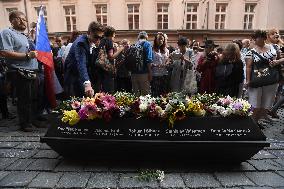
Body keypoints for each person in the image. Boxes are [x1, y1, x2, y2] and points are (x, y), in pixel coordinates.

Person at [0, 10, 38, 132]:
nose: (23, 21)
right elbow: (5, 52)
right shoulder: (7, 32)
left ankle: (31, 119)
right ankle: (25, 123)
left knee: (33, 97)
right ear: (12, 20)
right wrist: (27, 56)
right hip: (19, 71)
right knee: (24, 99)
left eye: (25, 19)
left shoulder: (24, 35)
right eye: (19, 18)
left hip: (31, 70)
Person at [245, 30, 283, 127]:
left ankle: (256, 122)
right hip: (257, 81)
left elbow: (281, 58)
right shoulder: (251, 52)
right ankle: (252, 124)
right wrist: (248, 80)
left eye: (256, 38)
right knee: (255, 104)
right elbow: (248, 67)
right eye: (255, 38)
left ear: (263, 38)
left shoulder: (274, 48)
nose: (254, 40)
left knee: (266, 105)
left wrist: (277, 62)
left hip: (271, 80)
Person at [64, 21, 104, 97]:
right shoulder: (81, 43)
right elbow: (81, 63)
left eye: (101, 37)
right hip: (74, 77)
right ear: (89, 33)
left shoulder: (93, 42)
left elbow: (92, 63)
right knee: (78, 104)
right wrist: (87, 83)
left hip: (82, 76)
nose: (98, 39)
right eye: (96, 36)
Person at [130, 31, 153, 96]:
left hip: (133, 74)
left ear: (138, 37)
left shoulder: (134, 45)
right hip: (144, 73)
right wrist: (150, 72)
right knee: (145, 95)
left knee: (136, 95)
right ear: (146, 37)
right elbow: (149, 59)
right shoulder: (147, 44)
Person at [151, 32, 170, 96]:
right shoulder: (151, 49)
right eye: (159, 39)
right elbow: (149, 62)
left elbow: (168, 60)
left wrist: (167, 63)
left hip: (164, 74)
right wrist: (155, 65)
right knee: (155, 94)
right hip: (155, 75)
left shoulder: (166, 50)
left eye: (162, 39)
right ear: (156, 40)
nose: (161, 40)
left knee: (164, 94)